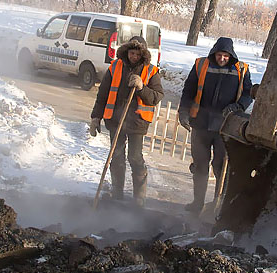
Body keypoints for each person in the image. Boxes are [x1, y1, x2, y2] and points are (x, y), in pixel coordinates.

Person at [176, 37, 252, 216]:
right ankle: (197, 203)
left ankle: (218, 204)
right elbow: (189, 90)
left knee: (220, 166)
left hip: (224, 128)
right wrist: (183, 112)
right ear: (214, 53)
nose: (222, 58)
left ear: (231, 56)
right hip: (201, 124)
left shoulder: (241, 69)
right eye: (219, 55)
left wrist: (238, 106)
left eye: (226, 56)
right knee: (200, 165)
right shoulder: (201, 65)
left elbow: (248, 93)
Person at [88, 36, 164, 207]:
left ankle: (139, 199)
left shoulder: (151, 71)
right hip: (115, 120)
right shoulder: (115, 67)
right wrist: (95, 117)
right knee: (116, 156)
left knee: (135, 157)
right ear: (126, 52)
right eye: (131, 53)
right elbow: (103, 95)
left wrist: (142, 87)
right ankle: (117, 194)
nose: (134, 57)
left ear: (143, 55)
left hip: (137, 122)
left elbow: (156, 97)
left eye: (137, 54)